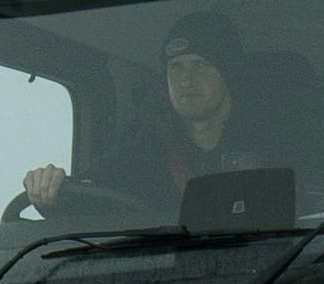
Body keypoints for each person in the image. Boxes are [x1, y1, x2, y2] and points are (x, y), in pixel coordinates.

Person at [25, 14, 275, 213]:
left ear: (227, 72)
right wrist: (51, 187)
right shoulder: (142, 145)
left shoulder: (273, 138)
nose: (186, 80)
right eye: (176, 67)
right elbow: (92, 194)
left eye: (200, 64)